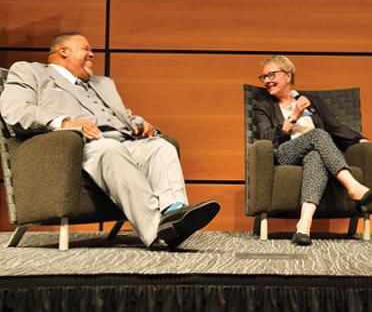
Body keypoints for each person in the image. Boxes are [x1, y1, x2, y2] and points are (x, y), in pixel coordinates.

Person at [0, 32, 220, 250]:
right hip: (77, 146)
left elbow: (122, 116)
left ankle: (174, 210)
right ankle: (160, 230)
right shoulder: (31, 72)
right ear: (63, 51)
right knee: (109, 149)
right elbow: (15, 110)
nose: (92, 54)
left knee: (161, 146)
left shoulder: (103, 84)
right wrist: (65, 123)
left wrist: (141, 124)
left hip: (125, 142)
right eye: (85, 48)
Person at [253, 55, 372, 246]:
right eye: (264, 77)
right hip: (285, 154)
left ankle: (303, 226)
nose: (267, 81)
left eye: (272, 75)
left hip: (314, 154)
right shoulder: (263, 107)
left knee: (316, 156)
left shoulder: (312, 102)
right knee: (318, 135)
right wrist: (294, 116)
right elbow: (267, 138)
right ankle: (353, 187)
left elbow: (336, 128)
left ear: (288, 76)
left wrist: (363, 140)